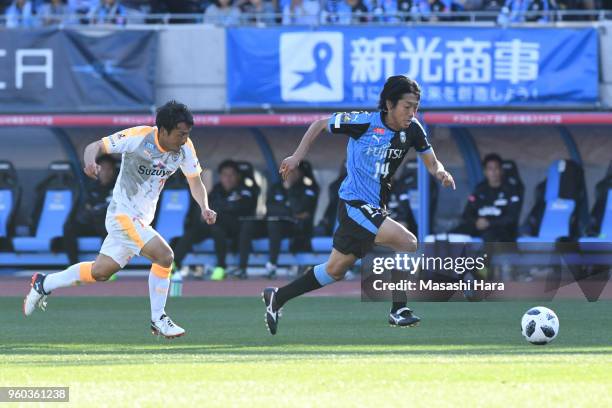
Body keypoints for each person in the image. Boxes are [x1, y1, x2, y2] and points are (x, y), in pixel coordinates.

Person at [262, 75, 456, 335]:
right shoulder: (364, 122)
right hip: (354, 204)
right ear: (389, 104)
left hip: (374, 208)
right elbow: (320, 124)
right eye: (407, 106)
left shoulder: (414, 130)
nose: (413, 112)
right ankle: (399, 310)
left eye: (416, 107)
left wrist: (441, 172)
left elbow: (432, 162)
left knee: (334, 270)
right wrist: (297, 157)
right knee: (407, 242)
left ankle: (278, 296)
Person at [24, 101, 217, 339]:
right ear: (163, 130)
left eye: (187, 133)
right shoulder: (138, 137)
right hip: (122, 216)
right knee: (165, 256)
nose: (184, 138)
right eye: (180, 134)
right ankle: (158, 319)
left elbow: (195, 181)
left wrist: (205, 206)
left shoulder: (185, 148)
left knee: (100, 272)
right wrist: (90, 162)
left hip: (142, 221)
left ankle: (43, 283)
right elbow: (94, 146)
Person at [173, 160, 257, 280]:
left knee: (217, 229)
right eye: (224, 175)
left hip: (235, 228)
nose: (227, 178)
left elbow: (241, 207)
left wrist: (220, 208)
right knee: (192, 232)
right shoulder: (217, 190)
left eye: (231, 175)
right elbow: (210, 206)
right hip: (213, 226)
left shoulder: (245, 190)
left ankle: (221, 267)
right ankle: (174, 264)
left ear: (238, 176)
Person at [238, 162, 319, 279]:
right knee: (248, 224)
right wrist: (287, 209)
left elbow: (299, 209)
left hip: (294, 228)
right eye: (288, 170)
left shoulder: (307, 189)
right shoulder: (276, 187)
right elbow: (270, 208)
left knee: (274, 224)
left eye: (293, 170)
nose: (290, 173)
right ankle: (242, 268)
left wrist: (289, 191)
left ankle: (272, 266)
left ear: (300, 173)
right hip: (272, 224)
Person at [452, 153, 521, 242]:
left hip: (500, 231)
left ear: (501, 170)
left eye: (496, 168)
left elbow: (511, 217)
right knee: (455, 234)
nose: (493, 172)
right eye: (490, 169)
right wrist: (476, 221)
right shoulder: (480, 189)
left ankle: (484, 256)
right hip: (478, 227)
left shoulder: (511, 190)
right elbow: (467, 214)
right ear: (485, 171)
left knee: (491, 237)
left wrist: (489, 223)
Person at [63, 154, 117, 265]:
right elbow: (86, 208)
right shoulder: (90, 187)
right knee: (69, 227)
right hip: (92, 224)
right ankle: (73, 265)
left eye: (109, 169)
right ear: (97, 170)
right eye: (103, 169)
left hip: (109, 226)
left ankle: (105, 265)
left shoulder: (119, 187)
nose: (106, 172)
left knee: (108, 224)